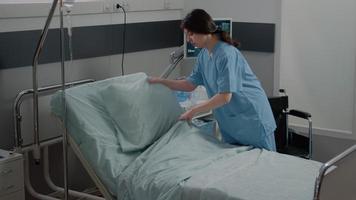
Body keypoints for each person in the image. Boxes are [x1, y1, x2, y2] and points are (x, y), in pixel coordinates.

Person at [148, 9, 276, 151]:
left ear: (203, 29)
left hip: (252, 119)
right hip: (232, 123)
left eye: (191, 33)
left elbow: (225, 97)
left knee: (263, 167)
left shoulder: (226, 54)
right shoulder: (204, 55)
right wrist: (161, 82)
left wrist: (193, 110)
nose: (189, 39)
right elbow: (190, 84)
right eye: (187, 35)